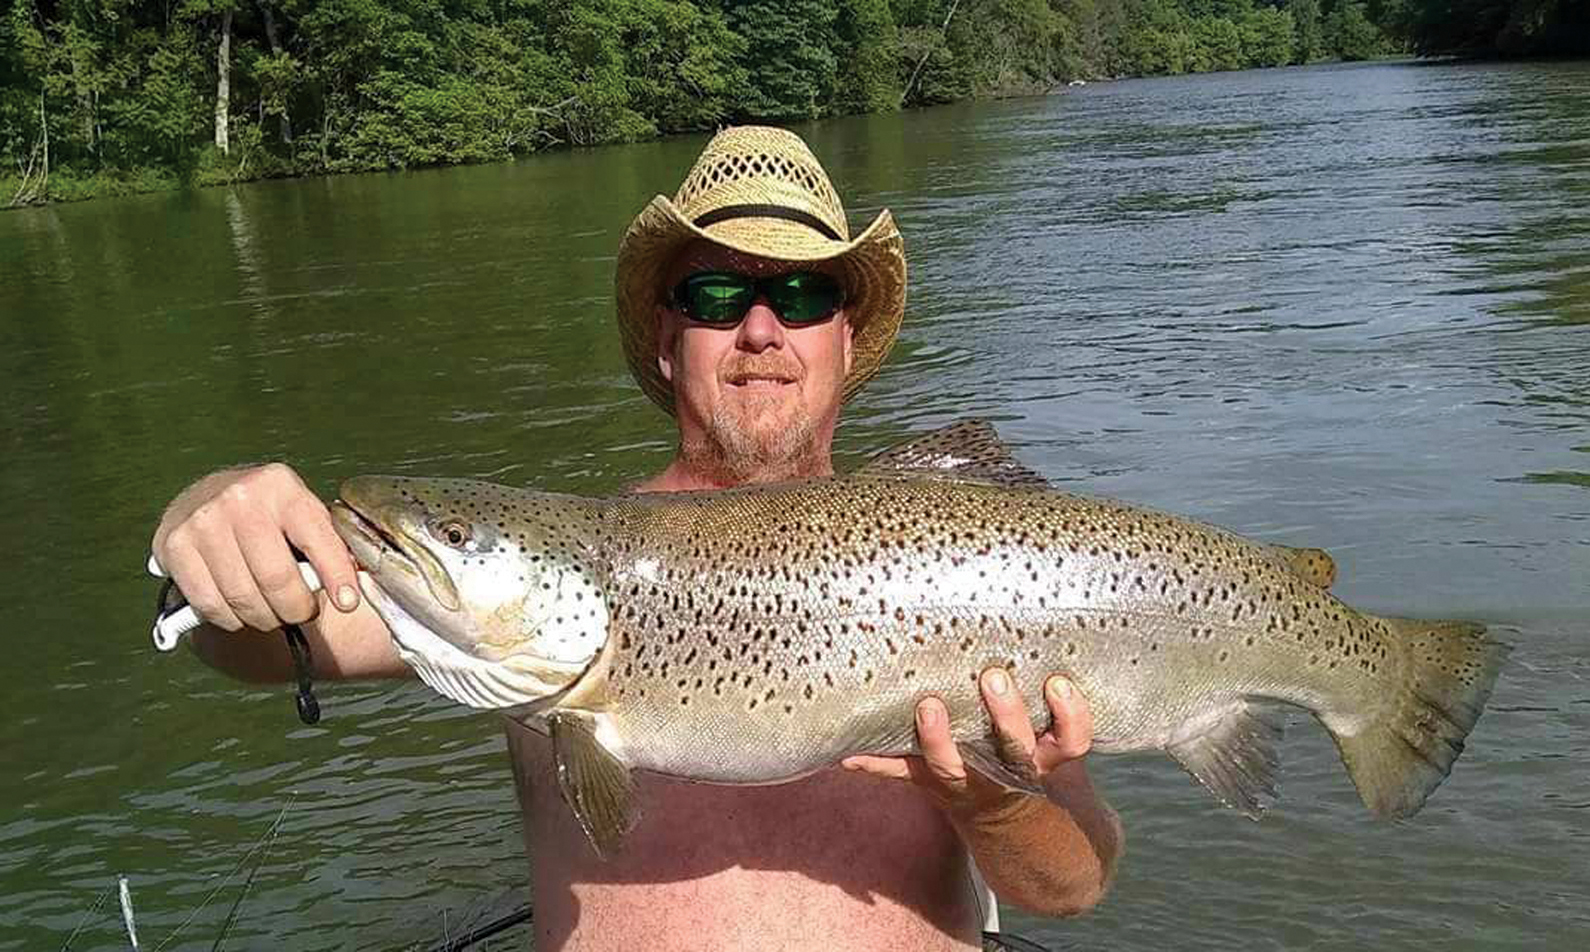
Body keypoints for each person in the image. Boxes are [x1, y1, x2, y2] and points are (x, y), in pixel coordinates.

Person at [152, 126, 1122, 951]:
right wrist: (214, 531)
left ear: (843, 337)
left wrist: (990, 799)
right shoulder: (532, 582)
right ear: (666, 340)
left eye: (800, 295)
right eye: (715, 297)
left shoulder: (971, 575)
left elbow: (1072, 884)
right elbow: (252, 643)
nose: (759, 330)